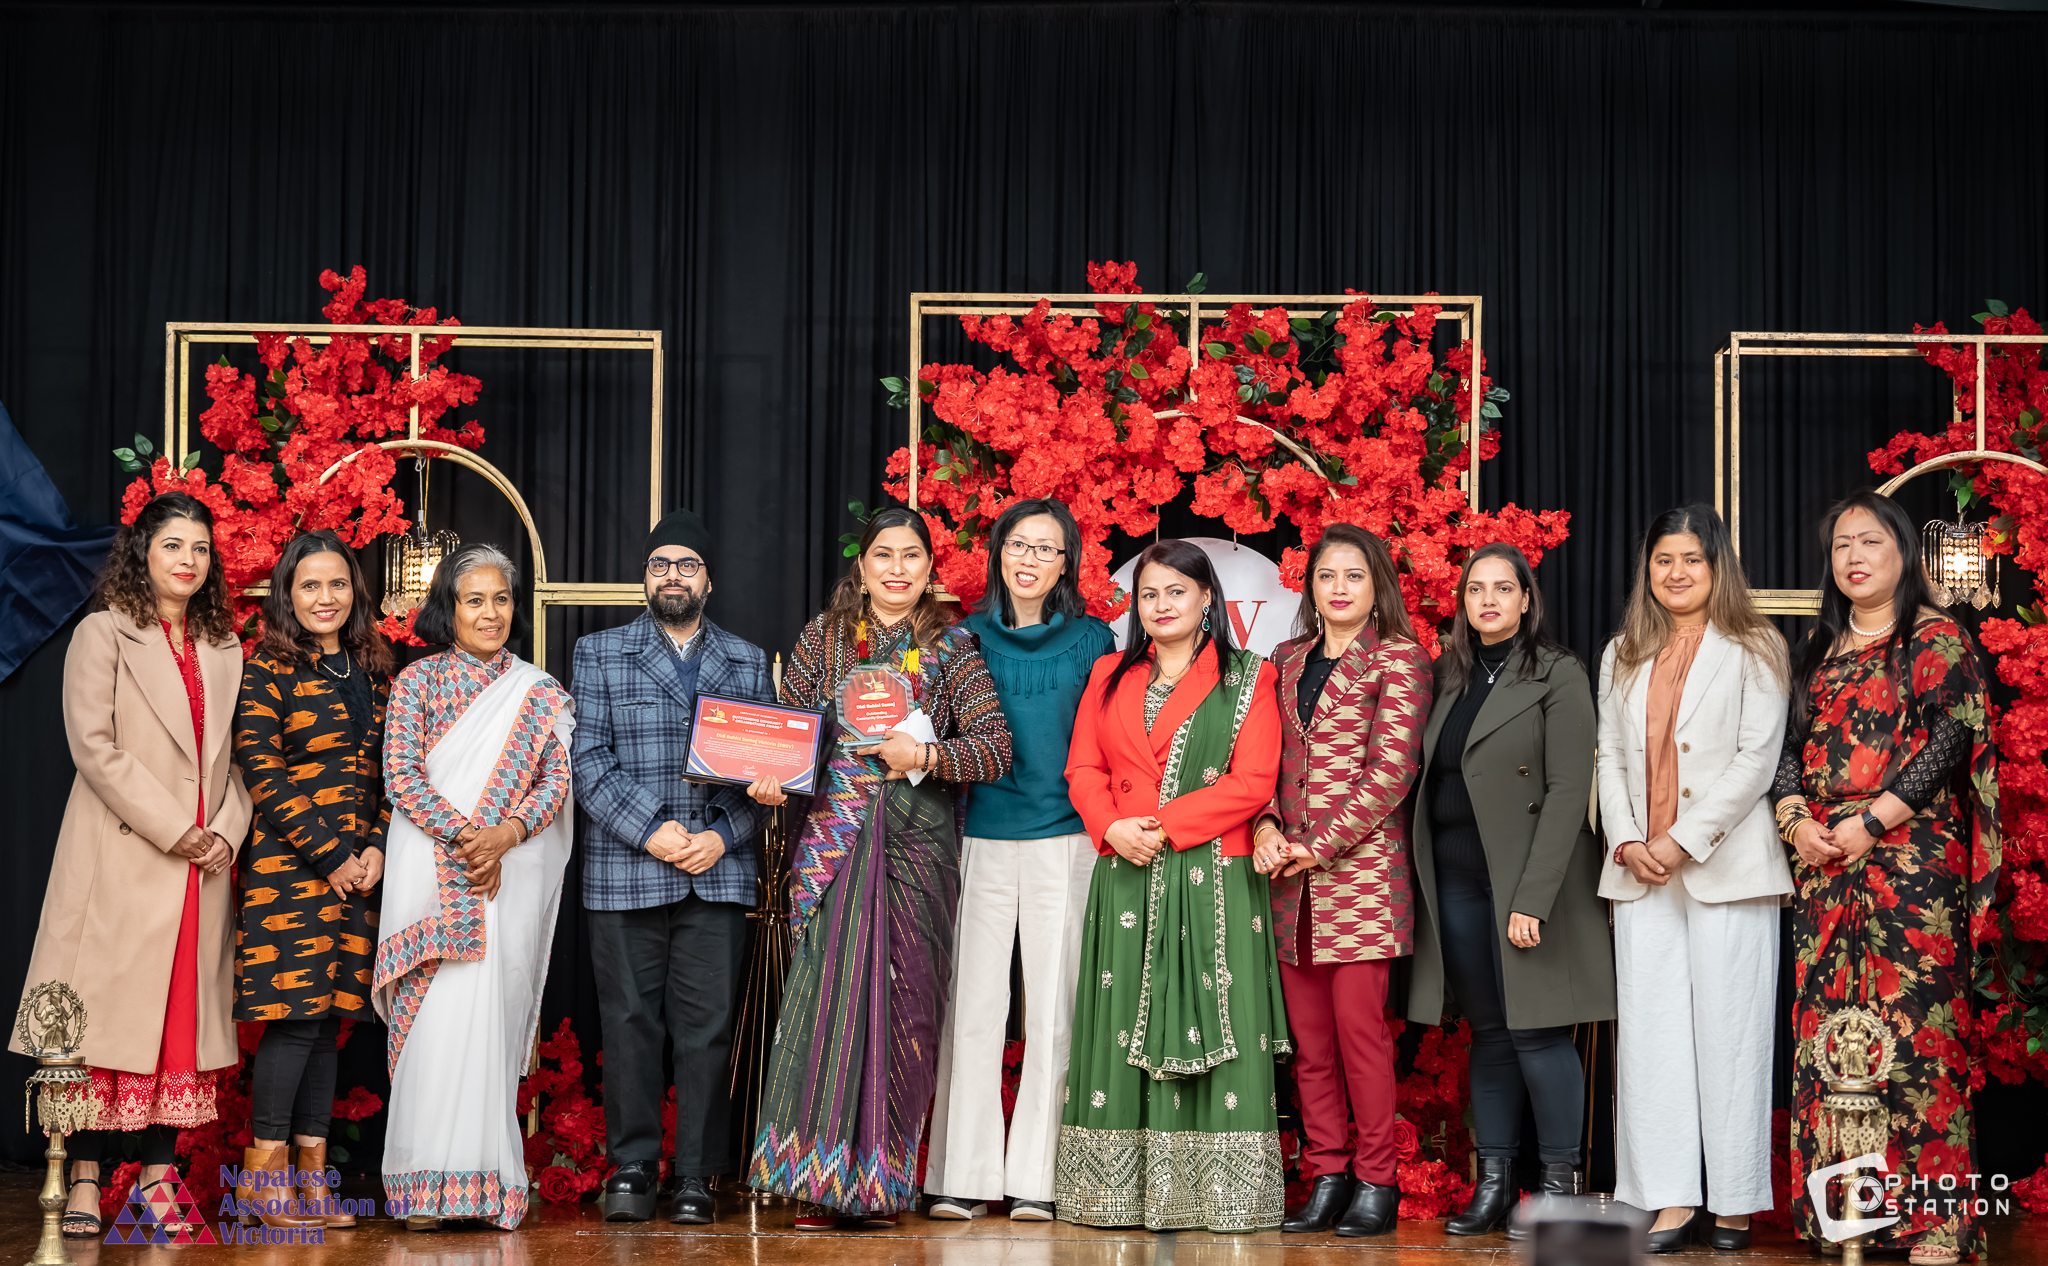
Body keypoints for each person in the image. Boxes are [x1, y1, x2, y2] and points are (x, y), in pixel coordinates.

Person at [743, 507, 1012, 1230]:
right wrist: (770, 777)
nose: (897, 568)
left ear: (930, 570)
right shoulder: (825, 639)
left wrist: (922, 754)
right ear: (861, 568)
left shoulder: (954, 648)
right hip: (832, 847)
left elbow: (993, 749)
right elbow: (787, 734)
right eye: (883, 555)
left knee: (905, 1010)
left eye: (911, 556)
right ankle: (821, 1185)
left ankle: (882, 1189)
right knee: (821, 1007)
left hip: (917, 853)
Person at [15, 491, 250, 1239]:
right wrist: (178, 830)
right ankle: (84, 1178)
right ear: (142, 553)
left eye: (200, 549)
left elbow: (236, 761)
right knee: (102, 1023)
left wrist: (225, 833)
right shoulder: (103, 632)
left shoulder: (224, 646)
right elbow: (94, 747)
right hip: (125, 854)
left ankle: (156, 1181)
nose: (188, 560)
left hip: (199, 866)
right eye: (173, 545)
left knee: (178, 1022)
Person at [1771, 491, 1997, 1266]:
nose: (1854, 557)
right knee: (1832, 1043)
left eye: (1870, 541)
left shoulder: (1935, 638)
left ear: (1903, 551)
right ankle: (1846, 1218)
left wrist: (1871, 824)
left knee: (1918, 1038)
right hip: (1825, 870)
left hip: (1911, 869)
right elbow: (1785, 751)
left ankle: (1935, 1224)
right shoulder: (1814, 650)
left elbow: (1949, 741)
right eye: (1842, 545)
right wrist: (1797, 823)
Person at [1054, 538, 1290, 1234]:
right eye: (1149, 594)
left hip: (1214, 875)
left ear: (1207, 598)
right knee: (1122, 1016)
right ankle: (1113, 1194)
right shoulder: (1110, 673)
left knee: (1221, 1018)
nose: (1161, 606)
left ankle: (1224, 1197)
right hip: (1126, 871)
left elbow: (1253, 780)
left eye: (1176, 592)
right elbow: (1084, 770)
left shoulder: (1249, 675)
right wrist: (1111, 826)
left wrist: (1159, 826)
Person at [1594, 505, 1790, 1253]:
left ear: (1717, 567)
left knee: (1733, 1034)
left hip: (1726, 866)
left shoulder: (1758, 644)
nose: (1676, 573)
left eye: (1691, 560)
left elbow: (1757, 760)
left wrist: (1679, 840)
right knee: (1652, 1039)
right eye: (1663, 560)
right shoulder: (1622, 652)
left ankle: (1734, 1200)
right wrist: (1626, 839)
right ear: (1647, 570)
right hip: (1640, 872)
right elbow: (1610, 756)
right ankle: (1669, 1198)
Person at [570, 509, 774, 1225]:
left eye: (688, 565)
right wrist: (651, 831)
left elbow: (764, 774)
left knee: (707, 1029)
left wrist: (721, 835)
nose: (673, 576)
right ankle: (631, 1167)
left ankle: (695, 1174)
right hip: (626, 869)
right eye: (661, 565)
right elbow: (587, 762)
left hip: (716, 868)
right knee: (628, 1023)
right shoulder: (599, 652)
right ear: (645, 579)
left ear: (709, 580)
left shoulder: (747, 660)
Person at [1407, 542, 1613, 1239]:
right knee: (1490, 1034)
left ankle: (1558, 1190)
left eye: (1503, 588)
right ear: (1462, 602)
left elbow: (1567, 790)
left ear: (1527, 600)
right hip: (1457, 880)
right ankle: (1494, 1185)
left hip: (1528, 881)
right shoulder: (1448, 674)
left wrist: (1534, 897)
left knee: (1538, 1031)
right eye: (1476, 589)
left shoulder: (1557, 671)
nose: (1489, 600)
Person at [372, 543, 575, 1232]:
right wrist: (470, 839)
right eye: (475, 600)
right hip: (433, 879)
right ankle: (423, 1194)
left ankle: (488, 1189)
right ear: (449, 609)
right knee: (434, 1024)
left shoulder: (538, 693)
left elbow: (555, 781)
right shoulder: (418, 682)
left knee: (489, 1021)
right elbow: (402, 777)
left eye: (502, 599)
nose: (491, 613)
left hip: (505, 881)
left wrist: (506, 836)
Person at [925, 498, 1114, 1223]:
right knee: (972, 1006)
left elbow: (1108, 745)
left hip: (1067, 839)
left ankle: (1042, 1175)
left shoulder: (1095, 641)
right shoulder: (959, 640)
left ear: (1067, 563)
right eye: (1017, 545)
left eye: (1046, 548)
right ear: (998, 554)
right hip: (978, 836)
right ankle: (962, 1175)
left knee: (1056, 1009)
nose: (1029, 559)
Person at [1254, 524, 1432, 1238]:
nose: (1338, 588)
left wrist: (1315, 847)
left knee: (1362, 1038)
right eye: (1326, 575)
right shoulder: (1286, 658)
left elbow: (1391, 773)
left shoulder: (1400, 658)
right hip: (1289, 885)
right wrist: (1267, 827)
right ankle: (1325, 1175)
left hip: (1361, 882)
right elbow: (1264, 760)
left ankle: (1376, 1183)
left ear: (1377, 585)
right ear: (1310, 586)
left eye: (1354, 576)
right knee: (1309, 1045)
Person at [233, 530, 396, 1230]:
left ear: (354, 592)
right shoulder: (267, 668)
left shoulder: (375, 669)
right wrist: (332, 857)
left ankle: (311, 1183)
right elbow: (262, 773)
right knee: (295, 1020)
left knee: (331, 1023)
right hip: (291, 873)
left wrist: (377, 847)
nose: (325, 598)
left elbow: (392, 772)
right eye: (309, 586)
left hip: (359, 875)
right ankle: (262, 1183)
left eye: (337, 584)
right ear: (288, 595)